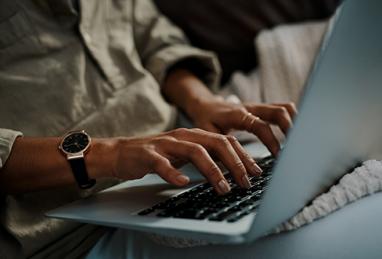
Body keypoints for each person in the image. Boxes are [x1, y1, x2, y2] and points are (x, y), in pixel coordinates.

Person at [0, 0, 295, 258]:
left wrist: (203, 103)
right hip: (73, 240)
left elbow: (156, 41)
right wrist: (112, 154)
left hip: (181, 174)